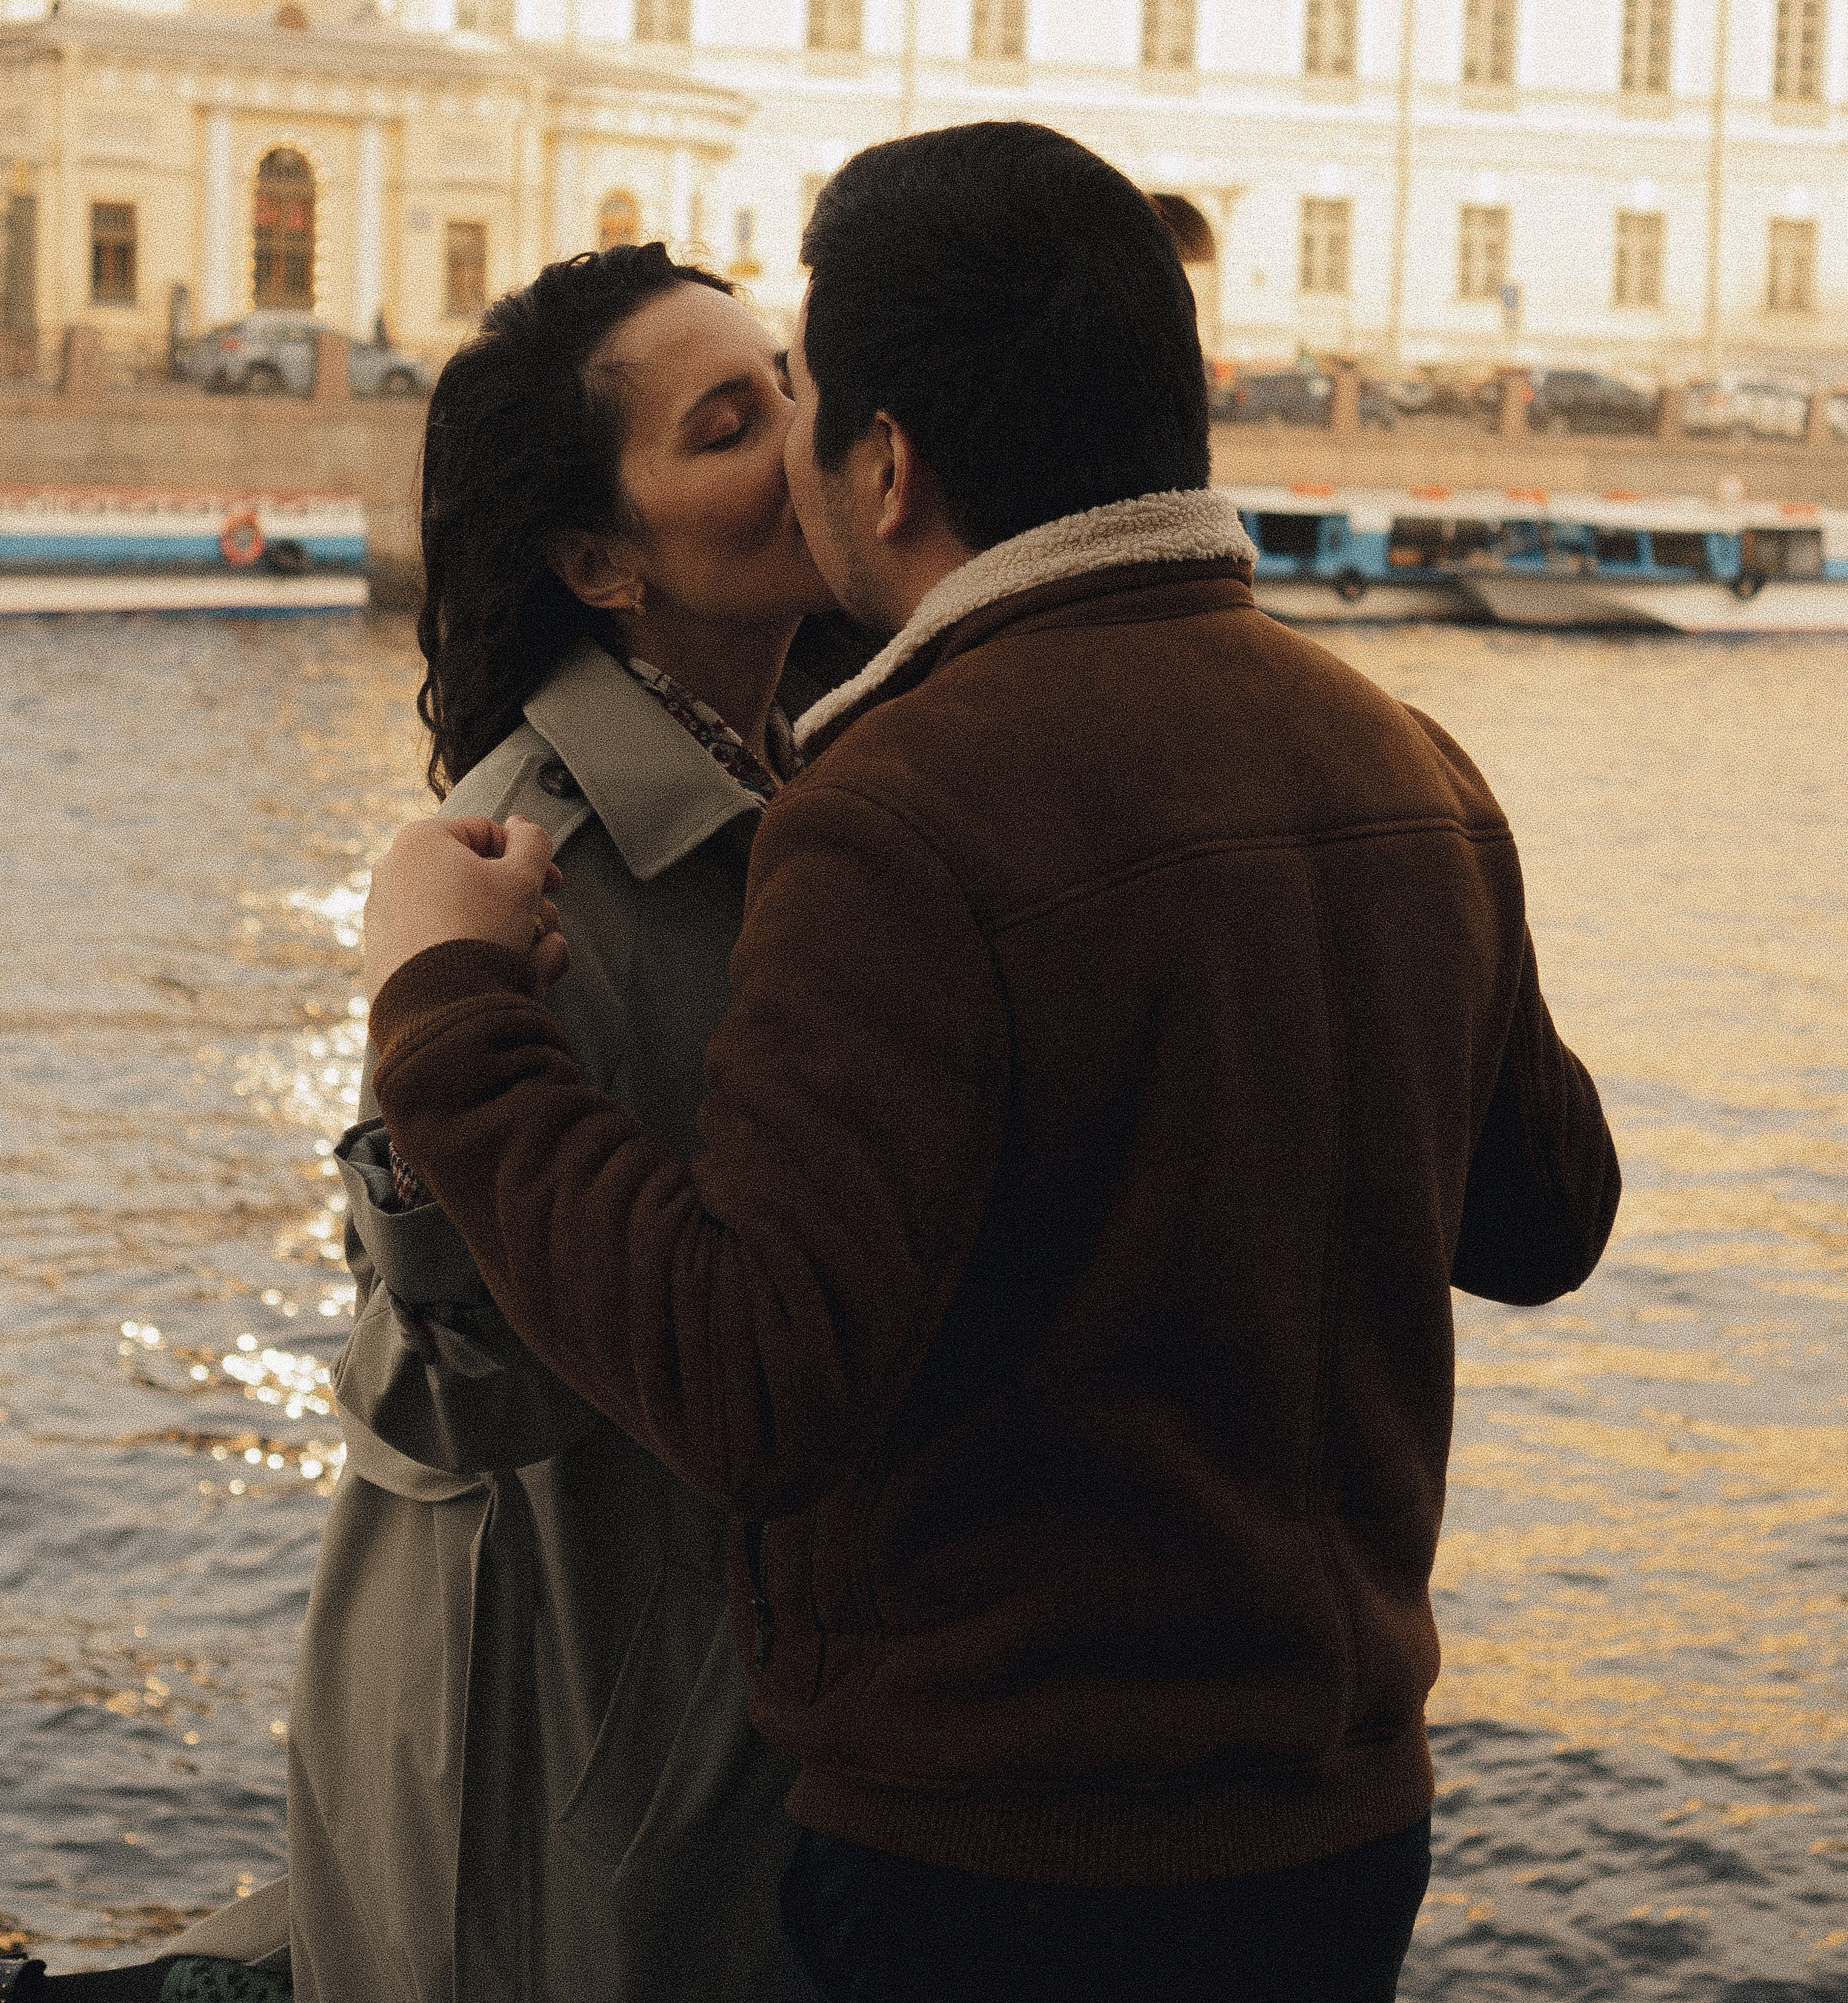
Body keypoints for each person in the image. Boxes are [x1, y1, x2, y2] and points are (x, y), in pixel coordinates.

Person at [361, 121, 1623, 2003]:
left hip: (1004, 1855)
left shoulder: (897, 815)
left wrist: (454, 1024)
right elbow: (1547, 1218)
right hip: (1342, 1819)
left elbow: (755, 1385)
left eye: (800, 399)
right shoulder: (1402, 756)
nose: (786, 446)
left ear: (885, 469)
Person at [29, 243, 840, 2003]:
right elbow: (449, 1390)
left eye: (785, 381)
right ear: (599, 562)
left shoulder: (802, 772)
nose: (800, 432)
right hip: (555, 1740)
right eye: (727, 425)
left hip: (705, 1710)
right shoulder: (530, 859)